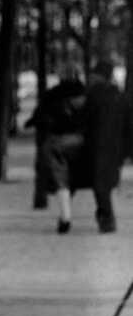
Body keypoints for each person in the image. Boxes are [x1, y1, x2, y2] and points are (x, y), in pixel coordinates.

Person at [24, 64, 86, 232]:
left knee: (60, 177)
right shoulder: (86, 95)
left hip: (59, 143)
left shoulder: (53, 96)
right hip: (83, 143)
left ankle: (65, 216)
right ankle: (66, 213)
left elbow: (40, 116)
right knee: (71, 177)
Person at [80, 60, 129, 233]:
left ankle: (106, 218)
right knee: (105, 184)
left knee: (100, 185)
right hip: (115, 147)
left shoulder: (94, 95)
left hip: (98, 146)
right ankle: (105, 216)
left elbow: (85, 120)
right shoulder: (120, 96)